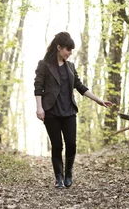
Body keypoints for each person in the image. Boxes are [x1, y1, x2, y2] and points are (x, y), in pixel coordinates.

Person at [34, 32, 113, 189]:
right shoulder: (44, 65)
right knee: (57, 145)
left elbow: (80, 86)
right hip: (51, 112)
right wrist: (39, 108)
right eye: (68, 50)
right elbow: (38, 87)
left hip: (69, 111)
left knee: (71, 143)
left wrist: (99, 100)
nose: (70, 53)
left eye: (71, 50)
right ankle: (59, 178)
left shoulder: (70, 67)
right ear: (59, 48)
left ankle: (68, 173)